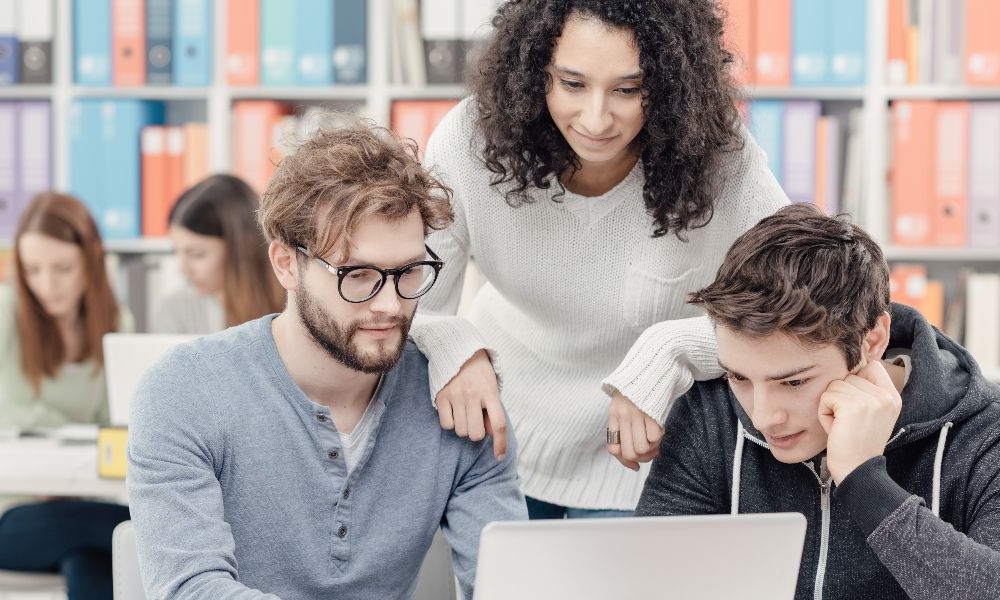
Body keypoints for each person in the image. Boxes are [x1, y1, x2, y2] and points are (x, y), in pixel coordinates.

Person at [412, 0, 788, 519]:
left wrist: (669, 351)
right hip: (502, 433)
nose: (595, 119)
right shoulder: (471, 141)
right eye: (571, 84)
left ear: (671, 83)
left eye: (628, 90)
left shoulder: (716, 155)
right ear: (535, 69)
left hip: (645, 453)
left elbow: (799, 304)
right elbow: (404, 295)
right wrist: (456, 346)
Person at [126, 122, 525, 599]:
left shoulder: (458, 402)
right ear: (286, 264)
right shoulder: (184, 392)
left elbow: (508, 585)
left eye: (409, 272)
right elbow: (191, 590)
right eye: (358, 275)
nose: (391, 305)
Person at [637, 204, 1000, 599]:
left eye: (793, 382)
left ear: (872, 340)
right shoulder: (709, 415)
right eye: (739, 377)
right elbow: (647, 581)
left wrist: (863, 479)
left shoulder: (984, 434)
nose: (762, 416)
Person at [0, 192, 134, 600]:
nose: (46, 286)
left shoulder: (117, 321)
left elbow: (117, 426)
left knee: (90, 562)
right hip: (8, 515)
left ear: (91, 260)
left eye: (62, 268)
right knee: (131, 528)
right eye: (32, 270)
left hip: (81, 501)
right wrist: (53, 426)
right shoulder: (3, 309)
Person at [152, 174, 285, 334]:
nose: (182, 269)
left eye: (197, 254)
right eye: (176, 251)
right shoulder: (175, 310)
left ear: (241, 251)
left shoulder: (290, 306)